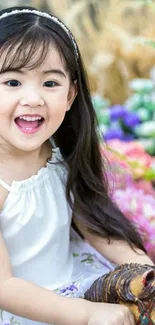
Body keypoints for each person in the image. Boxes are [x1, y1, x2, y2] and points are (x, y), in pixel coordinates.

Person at [0, 5, 153, 325]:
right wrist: (87, 313)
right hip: (25, 308)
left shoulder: (58, 150)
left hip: (71, 282)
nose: (33, 98)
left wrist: (143, 271)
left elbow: (93, 222)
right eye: (12, 82)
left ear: (71, 95)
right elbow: (4, 286)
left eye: (50, 83)